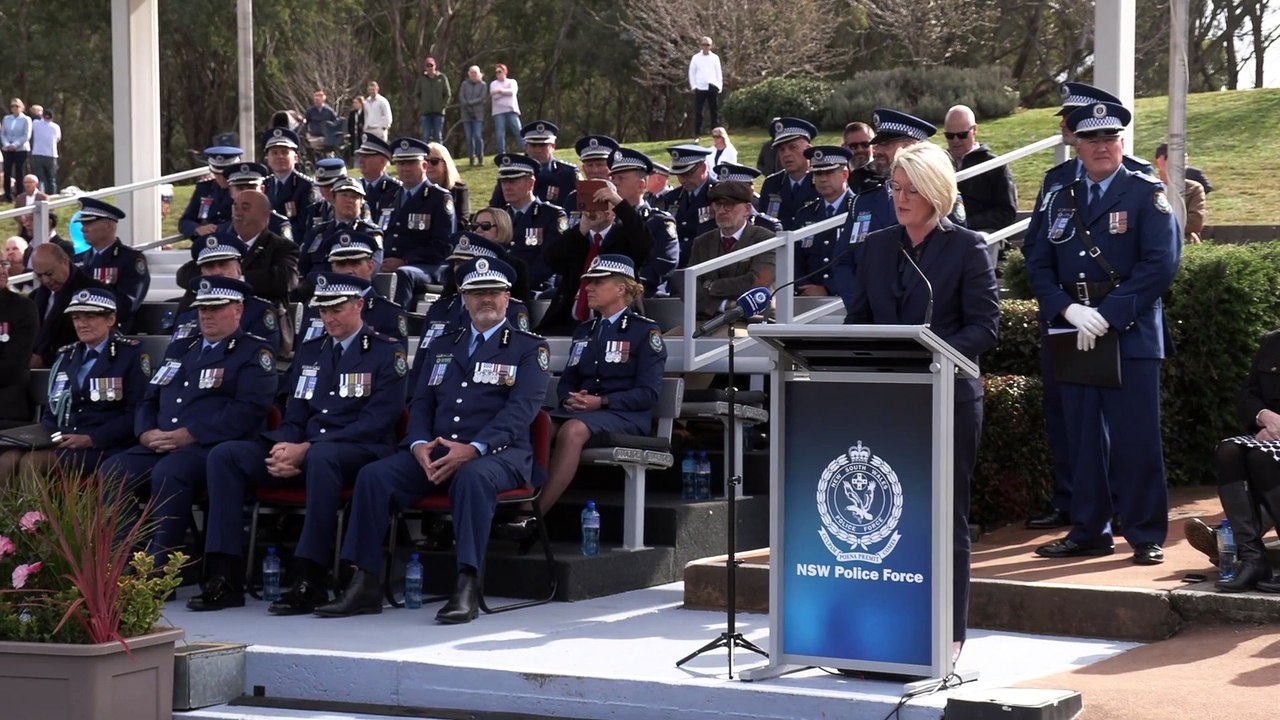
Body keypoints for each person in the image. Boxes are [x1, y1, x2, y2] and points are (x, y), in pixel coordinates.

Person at [314, 256, 550, 624]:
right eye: (475, 293)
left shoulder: (528, 347)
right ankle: (365, 582)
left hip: (498, 454)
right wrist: (418, 443)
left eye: (491, 292)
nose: (484, 299)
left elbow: (521, 411)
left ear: (507, 297)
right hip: (436, 451)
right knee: (374, 477)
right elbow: (421, 401)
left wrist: (473, 448)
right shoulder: (443, 344)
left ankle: (466, 583)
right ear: (463, 299)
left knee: (473, 478)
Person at [847, 141, 1000, 655]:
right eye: (896, 188)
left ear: (937, 193)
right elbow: (859, 320)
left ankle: (948, 633)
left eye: (912, 190)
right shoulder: (878, 244)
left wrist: (930, 355)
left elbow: (985, 327)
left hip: (948, 397)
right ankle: (887, 627)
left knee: (942, 513)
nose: (901, 198)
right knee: (886, 516)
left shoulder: (967, 246)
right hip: (888, 399)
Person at [188, 272, 407, 613]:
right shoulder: (311, 351)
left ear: (360, 305)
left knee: (322, 457)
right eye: (323, 310)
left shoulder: (384, 352)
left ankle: (310, 576)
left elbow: (377, 421)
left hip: (362, 450)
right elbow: (295, 414)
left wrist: (306, 449)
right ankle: (224, 572)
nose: (329, 318)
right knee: (226, 456)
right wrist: (285, 447)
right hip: (309, 449)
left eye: (337, 309)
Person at [1026, 101, 1181, 566]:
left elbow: (1162, 264)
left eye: (1109, 139)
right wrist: (1066, 308)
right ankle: (1090, 528)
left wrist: (1110, 314)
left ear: (1121, 143)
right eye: (1091, 140)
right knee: (1083, 436)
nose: (1101, 148)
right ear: (1077, 143)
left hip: (1128, 331)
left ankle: (1145, 531)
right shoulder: (1060, 194)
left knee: (1135, 438)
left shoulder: (1145, 193)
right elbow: (1036, 259)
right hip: (1073, 328)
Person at [100, 276, 277, 564]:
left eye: (216, 308)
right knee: (113, 470)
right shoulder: (181, 348)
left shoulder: (254, 352)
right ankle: (122, 559)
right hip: (161, 442)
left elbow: (248, 410)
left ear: (238, 310)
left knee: (171, 471)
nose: (206, 314)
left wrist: (191, 434)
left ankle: (160, 567)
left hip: (210, 446)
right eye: (202, 308)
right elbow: (149, 399)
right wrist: (145, 433)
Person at [536, 255, 665, 517]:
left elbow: (648, 393)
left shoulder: (644, 331)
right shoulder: (585, 331)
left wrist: (603, 402)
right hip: (585, 411)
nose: (588, 288)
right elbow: (570, 378)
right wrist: (570, 399)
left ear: (621, 288)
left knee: (572, 430)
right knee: (539, 424)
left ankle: (532, 514)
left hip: (624, 415)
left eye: (597, 282)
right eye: (587, 282)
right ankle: (515, 498)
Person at [0, 289, 149, 486]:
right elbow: (53, 410)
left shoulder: (129, 355)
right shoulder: (66, 356)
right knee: (7, 460)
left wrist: (91, 438)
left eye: (90, 317)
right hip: (63, 441)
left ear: (110, 319)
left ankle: (38, 518)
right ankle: (11, 517)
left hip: (104, 445)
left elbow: (136, 413)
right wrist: (46, 437)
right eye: (76, 317)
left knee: (33, 463)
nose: (81, 324)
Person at [833, 109, 942, 317]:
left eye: (886, 144)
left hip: (923, 321)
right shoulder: (863, 202)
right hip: (871, 319)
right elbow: (843, 261)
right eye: (877, 143)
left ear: (912, 147)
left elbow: (947, 261)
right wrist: (862, 304)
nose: (877, 150)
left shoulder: (938, 200)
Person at [1195, 331, 1280, 593]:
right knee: (1228, 451)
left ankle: (1227, 539)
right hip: (1271, 434)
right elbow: (1248, 394)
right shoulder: (1272, 343)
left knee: (1261, 458)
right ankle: (1252, 558)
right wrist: (1264, 416)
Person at [411, 233, 531, 392]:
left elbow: (516, 363)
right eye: (457, 263)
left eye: (467, 263)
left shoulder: (512, 311)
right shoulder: (439, 309)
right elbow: (422, 362)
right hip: (439, 400)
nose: (459, 269)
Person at [537, 178, 653, 335]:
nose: (597, 207)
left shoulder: (625, 237)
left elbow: (644, 242)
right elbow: (552, 260)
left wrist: (618, 202)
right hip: (569, 322)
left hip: (616, 321)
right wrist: (583, 227)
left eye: (603, 202)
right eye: (590, 201)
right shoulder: (577, 237)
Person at [181, 189, 299, 309]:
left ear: (265, 215)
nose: (238, 213)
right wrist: (214, 277)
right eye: (235, 207)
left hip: (257, 317)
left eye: (245, 208)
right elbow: (184, 275)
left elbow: (286, 280)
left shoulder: (281, 247)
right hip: (210, 312)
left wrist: (236, 279)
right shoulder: (223, 242)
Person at [168, 237, 283, 354]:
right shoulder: (188, 315)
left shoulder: (259, 312)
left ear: (239, 269)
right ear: (202, 273)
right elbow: (171, 362)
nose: (217, 272)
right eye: (209, 267)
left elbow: (259, 359)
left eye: (223, 265)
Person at [687, 178, 776, 326]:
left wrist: (711, 286)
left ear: (747, 209)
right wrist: (726, 305)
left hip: (754, 321)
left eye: (729, 205)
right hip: (708, 319)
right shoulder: (702, 242)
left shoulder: (765, 239)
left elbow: (755, 283)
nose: (721, 211)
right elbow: (689, 288)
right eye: (717, 204)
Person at [297, 233, 407, 348]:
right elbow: (301, 358)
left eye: (355, 263)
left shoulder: (389, 313)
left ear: (370, 266)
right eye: (341, 264)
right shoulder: (315, 308)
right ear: (333, 268)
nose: (348, 271)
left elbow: (391, 359)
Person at [382, 138, 457, 307]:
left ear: (424, 166)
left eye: (410, 163)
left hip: (429, 266)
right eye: (401, 163)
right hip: (389, 262)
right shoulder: (389, 197)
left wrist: (406, 261)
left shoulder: (439, 198)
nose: (405, 169)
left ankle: (399, 325)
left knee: (404, 274)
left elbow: (443, 246)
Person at [71, 198, 150, 334]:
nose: (83, 229)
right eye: (83, 224)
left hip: (112, 330)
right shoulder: (77, 260)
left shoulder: (130, 259)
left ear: (108, 226)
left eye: (89, 223)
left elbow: (127, 303)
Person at [610, 147, 678, 298]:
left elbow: (662, 265)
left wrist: (619, 286)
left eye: (621, 178)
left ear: (641, 185)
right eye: (613, 178)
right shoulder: (608, 220)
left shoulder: (658, 222)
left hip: (638, 295)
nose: (615, 183)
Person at [495, 153, 568, 290]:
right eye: (504, 181)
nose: (507, 187)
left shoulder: (552, 215)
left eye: (513, 181)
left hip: (535, 289)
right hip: (500, 287)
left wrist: (515, 285)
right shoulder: (499, 216)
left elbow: (548, 262)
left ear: (530, 183)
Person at [792, 145, 856, 297]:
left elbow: (864, 261)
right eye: (817, 173)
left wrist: (828, 288)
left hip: (847, 297)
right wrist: (804, 286)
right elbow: (795, 259)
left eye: (828, 172)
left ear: (845, 174)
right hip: (808, 298)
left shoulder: (860, 210)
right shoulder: (805, 214)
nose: (822, 179)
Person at [944, 105, 1017, 234]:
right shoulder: (940, 162)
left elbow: (1007, 212)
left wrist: (968, 223)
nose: (955, 141)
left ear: (975, 130)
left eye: (962, 135)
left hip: (980, 234)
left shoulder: (995, 165)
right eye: (950, 135)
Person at [31, 245, 105, 368]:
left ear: (65, 261)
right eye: (39, 276)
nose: (45, 280)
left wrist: (45, 359)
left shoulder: (93, 292)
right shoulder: (35, 297)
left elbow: (94, 338)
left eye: (49, 274)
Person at [296, 177, 384, 279]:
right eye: (344, 195)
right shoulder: (318, 232)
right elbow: (303, 264)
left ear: (361, 203)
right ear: (333, 199)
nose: (349, 200)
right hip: (316, 287)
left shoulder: (370, 232)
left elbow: (375, 265)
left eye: (354, 197)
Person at [488, 120, 578, 208]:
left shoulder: (567, 173)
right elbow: (496, 207)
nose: (538, 150)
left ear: (553, 146)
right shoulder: (511, 171)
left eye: (543, 145)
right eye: (533, 145)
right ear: (526, 147)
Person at [757, 117, 819, 230]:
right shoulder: (772, 184)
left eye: (792, 147)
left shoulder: (822, 181)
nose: (786, 154)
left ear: (809, 150)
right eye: (781, 149)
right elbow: (762, 225)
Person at [0, 254, 37, 429]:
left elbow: (14, 366)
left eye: (3, 264)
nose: (2, 270)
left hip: (6, 407)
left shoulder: (22, 308)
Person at [262, 128, 317, 240]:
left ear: (296, 158)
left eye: (285, 152)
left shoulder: (306, 186)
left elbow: (306, 225)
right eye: (274, 153)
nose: (280, 156)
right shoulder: (263, 185)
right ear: (267, 159)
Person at [179, 146, 242, 242]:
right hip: (206, 244)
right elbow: (185, 221)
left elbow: (247, 219)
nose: (221, 178)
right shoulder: (204, 188)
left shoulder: (244, 189)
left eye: (225, 175)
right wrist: (197, 229)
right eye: (217, 174)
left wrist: (218, 229)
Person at [665, 144, 715, 266]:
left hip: (706, 262)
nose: (683, 180)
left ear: (703, 168)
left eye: (688, 174)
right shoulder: (672, 197)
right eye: (679, 175)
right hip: (676, 263)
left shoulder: (719, 195)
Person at [563, 135, 621, 227]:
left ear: (611, 167)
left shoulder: (621, 195)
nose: (595, 170)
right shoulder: (574, 198)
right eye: (590, 165)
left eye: (600, 165)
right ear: (583, 168)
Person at [1154, 143, 1207, 243]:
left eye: (1184, 163)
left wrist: (1159, 227)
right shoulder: (1147, 187)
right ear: (1157, 162)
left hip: (1185, 243)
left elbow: (1195, 223)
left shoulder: (1193, 188)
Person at [354, 133, 402, 226]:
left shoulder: (396, 189)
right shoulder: (356, 187)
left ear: (382, 161)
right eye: (360, 156)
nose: (361, 160)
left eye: (366, 156)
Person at [299, 157, 349, 232]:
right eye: (321, 185)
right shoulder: (316, 209)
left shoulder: (353, 207)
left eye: (329, 185)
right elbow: (308, 239)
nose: (325, 189)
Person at [688, 37, 722, 140]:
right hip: (700, 87)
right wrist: (694, 86)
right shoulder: (696, 58)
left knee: (714, 111)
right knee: (699, 112)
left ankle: (715, 134)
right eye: (704, 45)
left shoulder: (715, 58)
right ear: (701, 46)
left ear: (711, 46)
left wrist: (719, 86)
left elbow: (718, 72)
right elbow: (691, 72)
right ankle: (697, 134)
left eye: (707, 45)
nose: (705, 47)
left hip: (712, 86)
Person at [427, 142, 470, 220]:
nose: (429, 166)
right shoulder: (419, 190)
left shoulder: (459, 189)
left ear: (446, 163)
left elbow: (463, 221)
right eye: (425, 162)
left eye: (434, 161)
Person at [415, 57, 451, 144]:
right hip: (425, 112)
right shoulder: (421, 79)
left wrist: (443, 105)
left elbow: (447, 94)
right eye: (427, 66)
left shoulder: (442, 78)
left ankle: (440, 156)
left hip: (438, 112)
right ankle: (426, 156)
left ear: (435, 66)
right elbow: (417, 94)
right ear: (425, 67)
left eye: (431, 65)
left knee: (438, 136)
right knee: (426, 136)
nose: (429, 68)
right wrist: (421, 105)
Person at [2, 99, 32, 202]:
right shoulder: (6, 118)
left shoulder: (26, 119)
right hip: (7, 149)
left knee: (19, 172)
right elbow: (3, 133)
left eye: (17, 106)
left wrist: (15, 144)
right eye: (12, 106)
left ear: (21, 107)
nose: (14, 108)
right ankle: (8, 195)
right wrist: (7, 144)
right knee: (7, 172)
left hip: (21, 149)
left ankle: (20, 194)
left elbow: (26, 135)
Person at [489, 64, 522, 154]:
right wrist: (505, 91)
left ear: (505, 72)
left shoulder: (512, 82)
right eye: (496, 72)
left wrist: (500, 91)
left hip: (511, 111)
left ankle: (525, 149)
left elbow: (512, 92)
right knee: (500, 133)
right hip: (498, 112)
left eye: (500, 71)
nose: (498, 74)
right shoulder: (493, 84)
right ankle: (501, 152)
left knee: (518, 130)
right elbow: (495, 97)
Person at [459, 66, 488, 166]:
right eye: (471, 72)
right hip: (466, 114)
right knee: (468, 137)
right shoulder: (464, 84)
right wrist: (466, 104)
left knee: (477, 136)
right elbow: (461, 97)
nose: (473, 74)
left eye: (475, 73)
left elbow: (482, 97)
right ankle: (471, 157)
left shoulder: (483, 85)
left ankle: (480, 156)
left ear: (479, 73)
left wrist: (470, 103)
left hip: (477, 114)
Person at [29, 106, 60, 194]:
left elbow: (35, 117)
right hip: (51, 155)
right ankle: (52, 195)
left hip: (38, 153)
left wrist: (37, 112)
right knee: (51, 179)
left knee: (40, 178)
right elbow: (58, 138)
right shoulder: (55, 127)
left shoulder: (36, 123)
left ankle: (42, 194)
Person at [843, 121, 880, 193]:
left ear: (874, 146)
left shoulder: (882, 173)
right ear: (844, 147)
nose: (860, 150)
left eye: (865, 144)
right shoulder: (838, 173)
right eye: (853, 146)